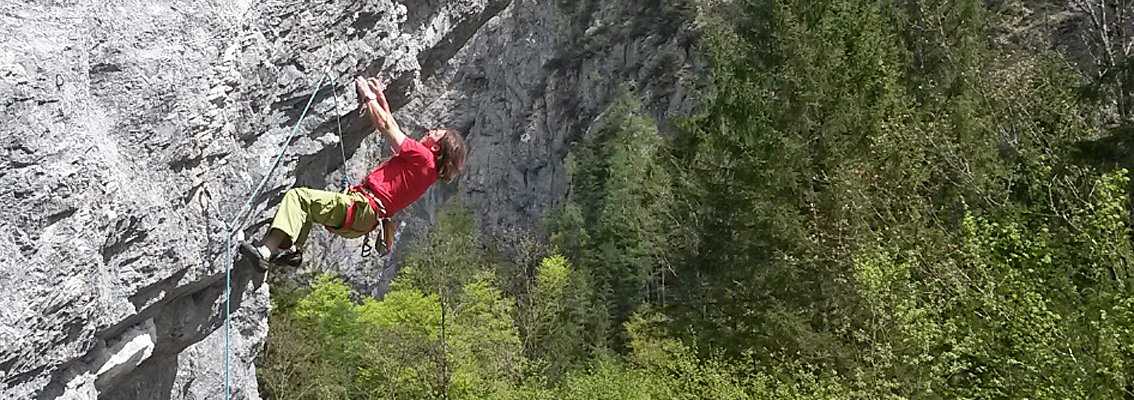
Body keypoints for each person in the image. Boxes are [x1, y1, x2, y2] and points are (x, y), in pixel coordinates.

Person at [239, 76, 467, 269]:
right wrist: (381, 100)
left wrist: (367, 95)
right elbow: (394, 127)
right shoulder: (427, 172)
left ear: (436, 147)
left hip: (360, 206)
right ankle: (294, 250)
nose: (430, 130)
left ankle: (266, 252)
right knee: (307, 210)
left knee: (299, 198)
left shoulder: (423, 156)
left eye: (436, 132)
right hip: (364, 220)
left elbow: (387, 128)